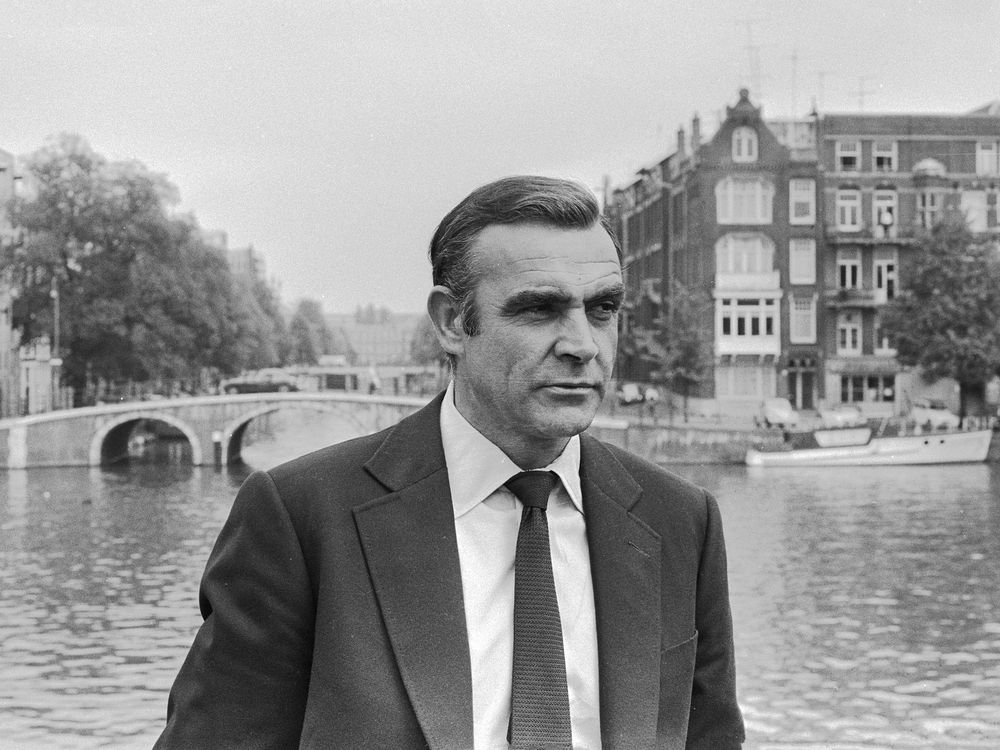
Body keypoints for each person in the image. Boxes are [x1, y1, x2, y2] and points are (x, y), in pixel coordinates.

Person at [155, 175, 744, 749]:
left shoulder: (681, 522)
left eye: (603, 308)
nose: (583, 344)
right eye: (539, 310)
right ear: (451, 323)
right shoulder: (301, 519)